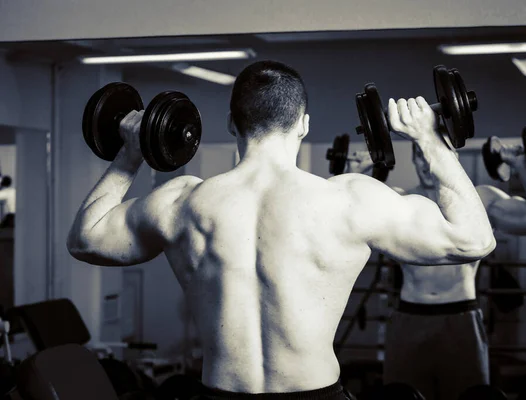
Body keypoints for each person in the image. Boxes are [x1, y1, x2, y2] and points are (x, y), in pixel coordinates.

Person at [67, 61, 495, 400]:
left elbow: (85, 239)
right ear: (304, 124)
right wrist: (432, 141)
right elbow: (475, 240)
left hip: (220, 393)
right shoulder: (348, 201)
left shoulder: (181, 202)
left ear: (232, 124)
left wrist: (130, 155)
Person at [348, 135, 526, 400]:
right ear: (413, 159)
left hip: (461, 319)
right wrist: (354, 175)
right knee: (400, 396)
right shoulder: (400, 202)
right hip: (408, 318)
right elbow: (348, 216)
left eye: (432, 154)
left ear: (452, 158)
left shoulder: (481, 202)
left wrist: (523, 168)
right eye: (419, 156)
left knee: (470, 397)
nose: (426, 165)